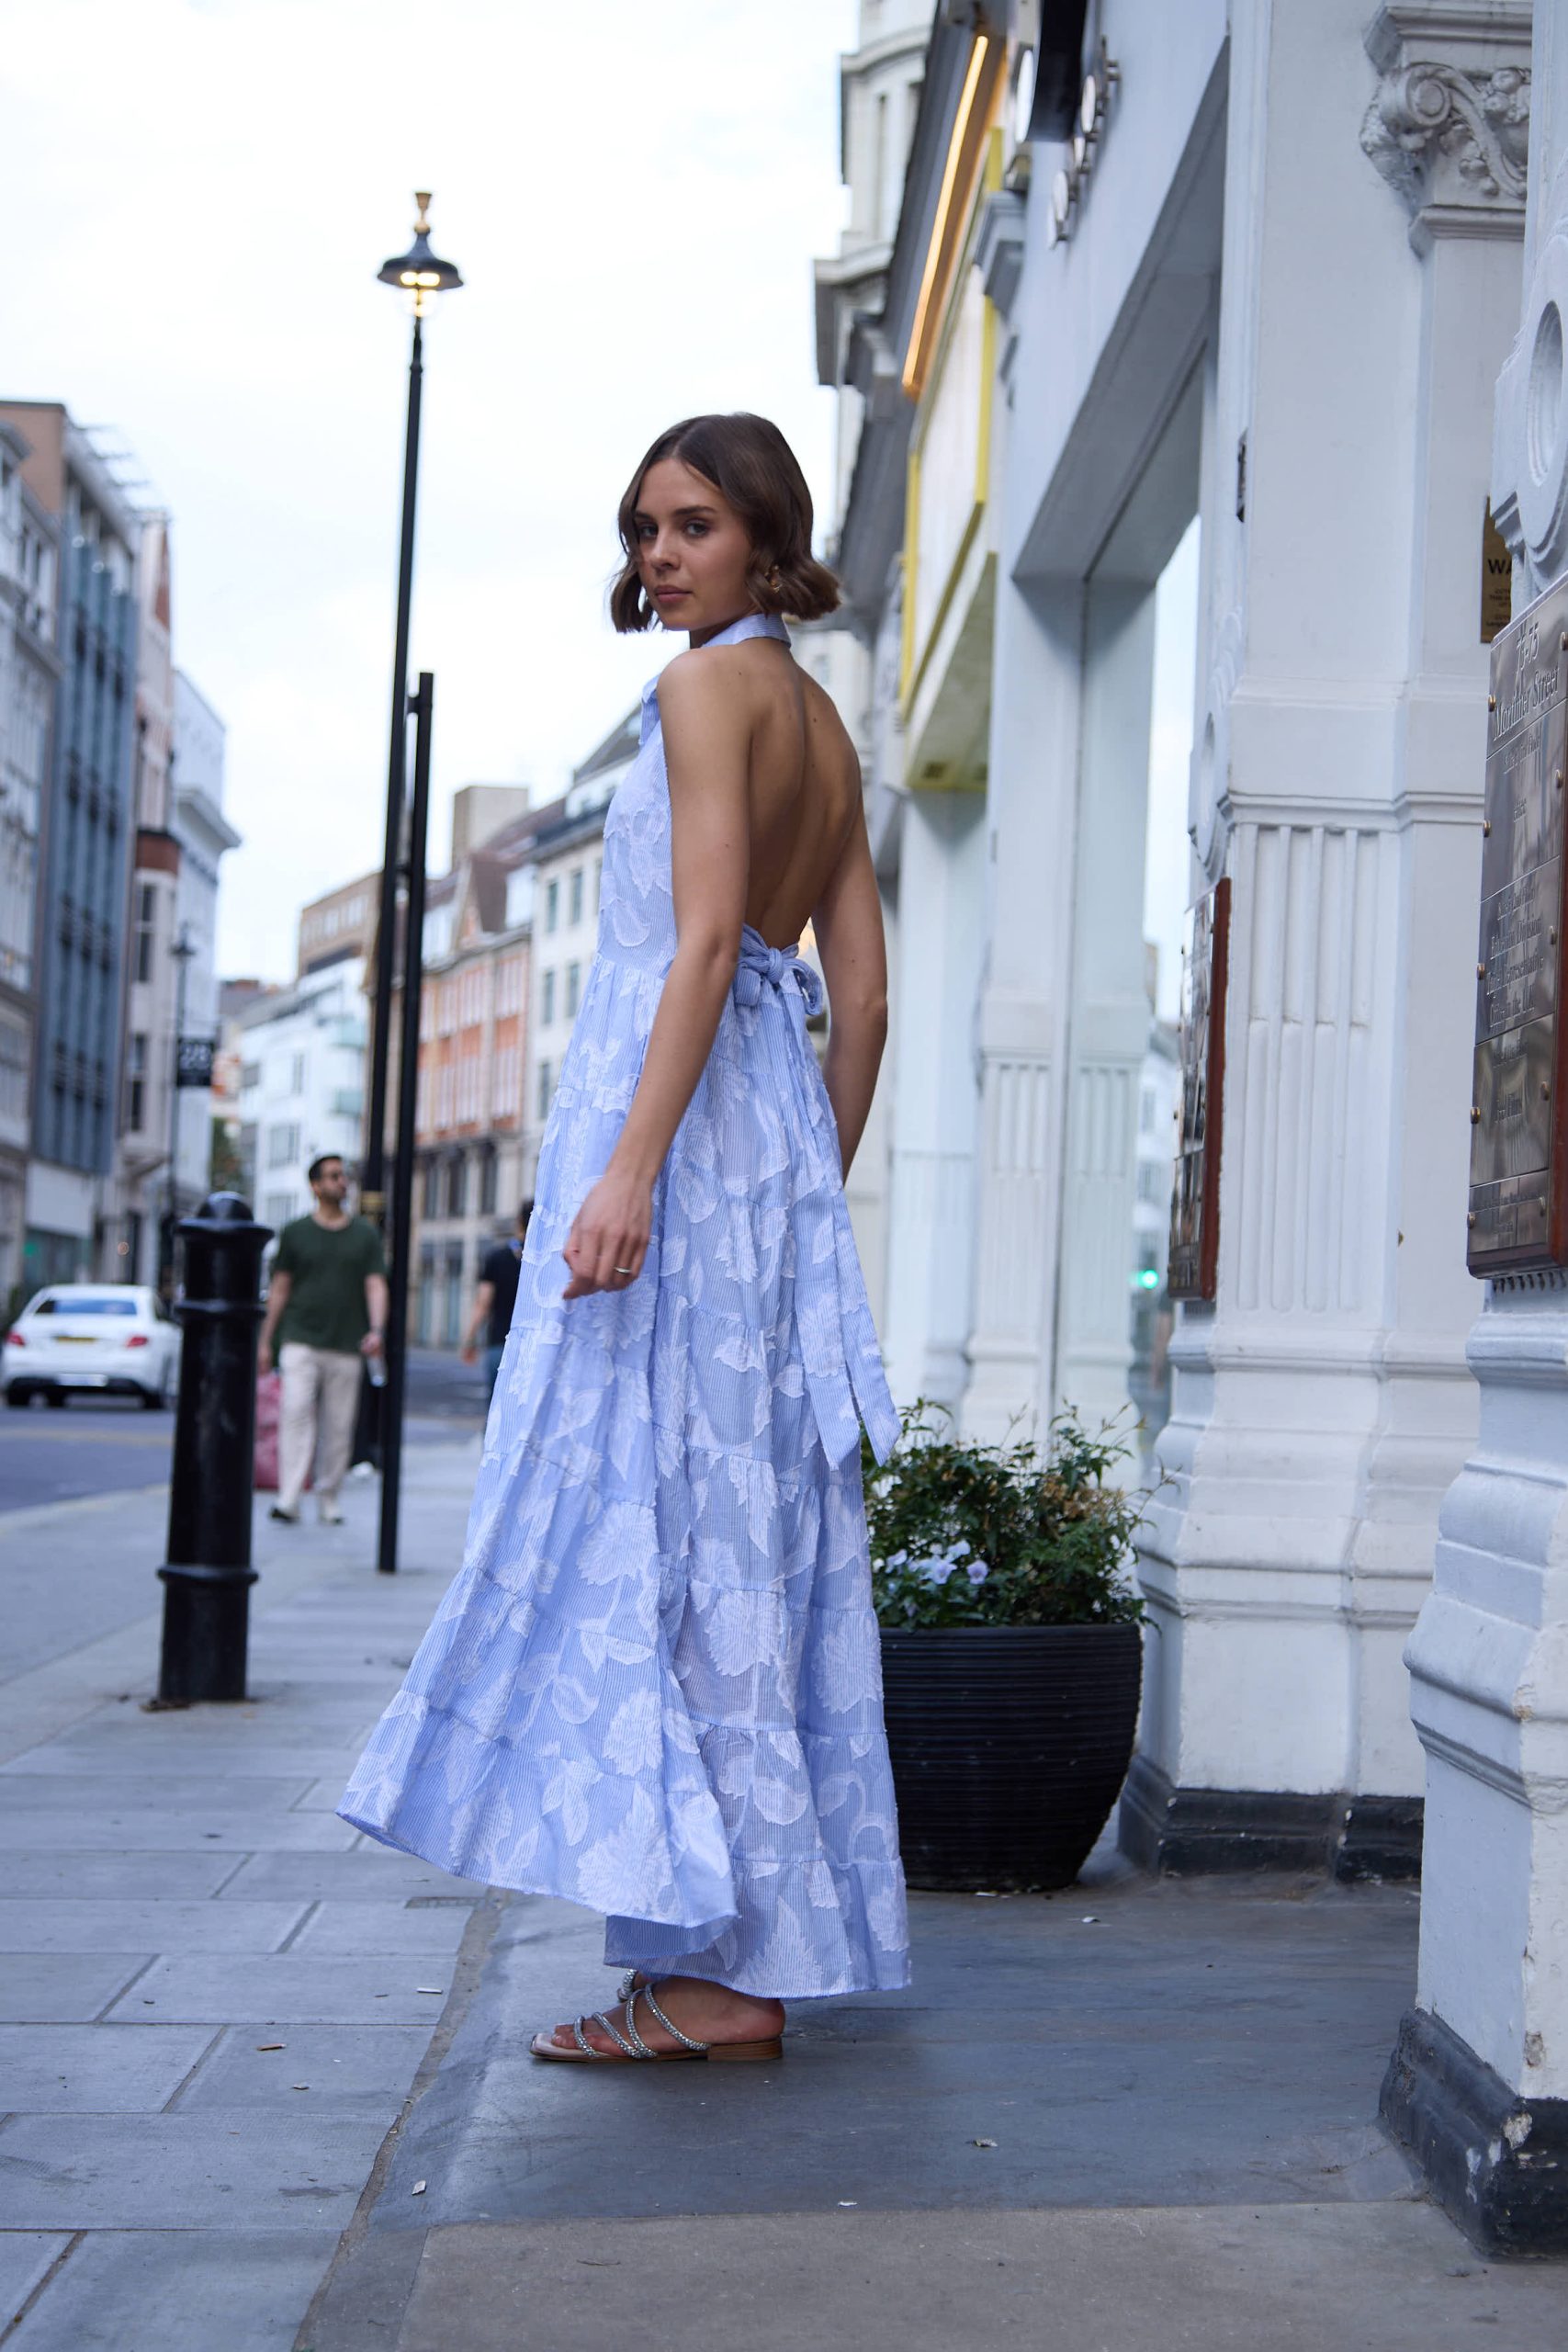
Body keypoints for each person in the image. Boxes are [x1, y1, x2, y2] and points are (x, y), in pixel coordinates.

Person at [340, 413, 907, 2065]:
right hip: (761, 1161)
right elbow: (863, 1002)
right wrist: (794, 1190)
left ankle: (715, 1976)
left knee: (633, 1522)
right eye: (646, 526)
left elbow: (709, 939)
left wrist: (634, 1173)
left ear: (765, 538)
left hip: (671, 1138)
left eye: (694, 525)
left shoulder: (700, 694)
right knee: (738, 1538)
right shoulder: (825, 726)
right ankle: (724, 1951)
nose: (659, 555)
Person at [259, 1154, 389, 1528]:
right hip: (300, 1339)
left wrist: (377, 1330)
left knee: (339, 1425)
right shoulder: (295, 1232)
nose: (341, 1182)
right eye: (333, 1176)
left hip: (347, 1345)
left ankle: (329, 1496)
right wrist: (266, 1340)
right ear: (315, 1186)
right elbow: (280, 1288)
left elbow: (375, 1285)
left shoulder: (365, 1234)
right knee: (295, 1413)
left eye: (343, 1175)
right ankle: (289, 1497)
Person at [460, 1200, 533, 1405]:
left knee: (497, 1406)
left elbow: (483, 1303)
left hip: (499, 1342)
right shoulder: (547, 1259)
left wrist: (470, 1339)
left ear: (518, 1222)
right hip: (534, 1345)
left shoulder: (497, 1257)